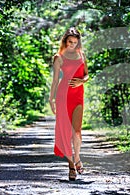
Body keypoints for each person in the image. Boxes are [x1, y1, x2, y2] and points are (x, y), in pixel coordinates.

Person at [49, 27, 89, 181]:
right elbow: (55, 81)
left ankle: (77, 157)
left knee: (76, 131)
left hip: (78, 96)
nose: (72, 44)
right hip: (63, 96)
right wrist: (51, 99)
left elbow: (86, 75)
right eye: (69, 42)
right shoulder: (58, 57)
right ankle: (71, 165)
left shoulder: (82, 55)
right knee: (66, 133)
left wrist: (81, 81)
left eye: (75, 42)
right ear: (65, 41)